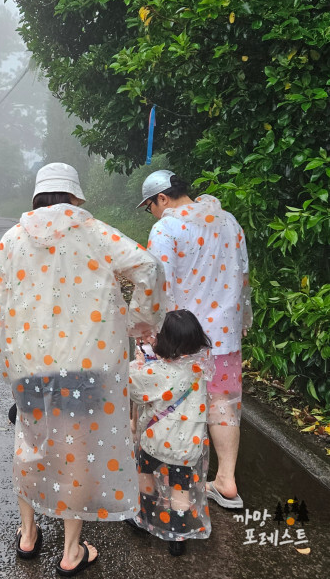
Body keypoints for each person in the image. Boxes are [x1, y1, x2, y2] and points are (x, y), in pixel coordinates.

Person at [0, 162, 165, 575]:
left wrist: (12, 359)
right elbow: (149, 267)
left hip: (31, 363)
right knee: (74, 452)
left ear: (37, 197)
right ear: (74, 196)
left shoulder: (11, 240)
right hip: (86, 361)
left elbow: (3, 306)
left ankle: (28, 535)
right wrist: (139, 325)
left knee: (29, 442)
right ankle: (71, 552)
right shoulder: (94, 232)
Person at [137, 170, 252, 509]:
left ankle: (171, 490)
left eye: (150, 206)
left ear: (162, 198)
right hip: (225, 336)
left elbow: (158, 285)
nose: (153, 213)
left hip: (181, 338)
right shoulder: (229, 221)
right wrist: (241, 319)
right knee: (224, 404)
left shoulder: (166, 228)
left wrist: (147, 333)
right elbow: (243, 276)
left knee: (174, 406)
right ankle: (226, 481)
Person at [129, 310, 215, 557]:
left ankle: (143, 518)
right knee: (180, 487)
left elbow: (134, 387)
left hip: (156, 441)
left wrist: (139, 362)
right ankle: (178, 536)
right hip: (188, 445)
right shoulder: (199, 367)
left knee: (144, 471)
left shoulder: (159, 372)